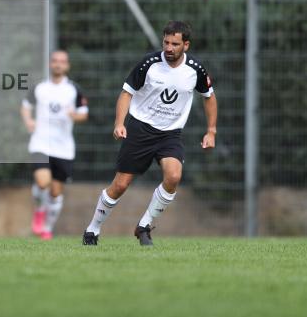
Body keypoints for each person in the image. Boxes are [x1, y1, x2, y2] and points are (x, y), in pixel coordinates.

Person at [82, 21, 217, 247]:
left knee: (173, 176)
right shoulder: (149, 63)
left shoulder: (195, 69)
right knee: (120, 185)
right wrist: (119, 123)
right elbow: (126, 93)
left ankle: (144, 225)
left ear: (186, 45)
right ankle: (92, 229)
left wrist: (211, 131)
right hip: (140, 129)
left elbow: (209, 97)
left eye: (175, 43)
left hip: (170, 134)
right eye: (166, 42)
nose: (169, 47)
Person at [20, 50, 88, 240]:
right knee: (42, 182)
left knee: (56, 193)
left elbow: (84, 112)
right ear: (50, 64)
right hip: (41, 143)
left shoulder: (74, 89)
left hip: (64, 148)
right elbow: (26, 106)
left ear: (67, 65)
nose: (58, 64)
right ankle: (40, 210)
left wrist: (75, 115)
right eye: (55, 61)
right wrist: (29, 121)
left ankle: (47, 228)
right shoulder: (40, 88)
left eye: (62, 61)